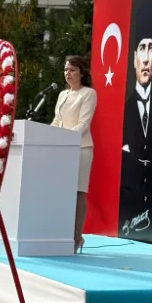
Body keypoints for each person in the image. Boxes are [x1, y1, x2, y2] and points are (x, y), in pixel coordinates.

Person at [120, 0, 152, 243]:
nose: (146, 58)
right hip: (127, 208)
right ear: (134, 57)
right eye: (141, 48)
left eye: (151, 48)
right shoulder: (123, 110)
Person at [52, 56, 98, 253]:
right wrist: (49, 136)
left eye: (71, 70)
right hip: (62, 149)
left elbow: (84, 122)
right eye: (65, 70)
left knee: (78, 192)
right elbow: (57, 121)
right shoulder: (62, 94)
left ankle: (76, 236)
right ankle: (59, 234)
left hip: (80, 148)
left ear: (81, 72)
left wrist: (66, 139)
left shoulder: (88, 93)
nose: (67, 73)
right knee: (61, 191)